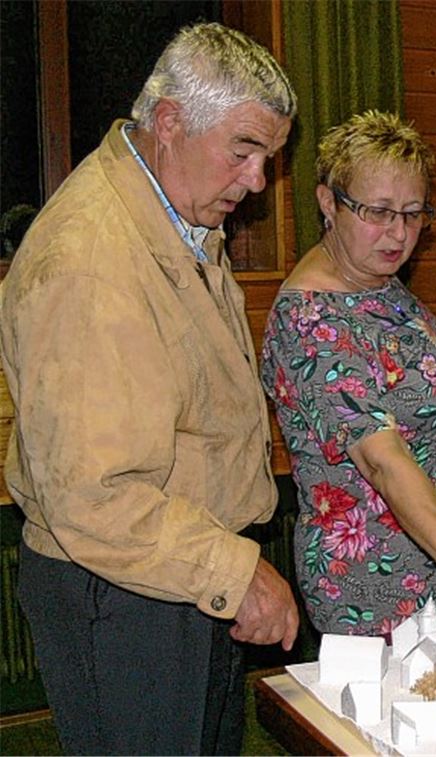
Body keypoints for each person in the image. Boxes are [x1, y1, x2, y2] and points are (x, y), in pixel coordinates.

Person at [0, 23, 299, 755]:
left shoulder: (173, 217)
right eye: (245, 150)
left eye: (268, 157)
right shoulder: (93, 258)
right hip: (126, 592)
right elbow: (94, 494)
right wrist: (235, 569)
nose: (258, 181)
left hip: (175, 575)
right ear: (170, 123)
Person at [260, 111, 436, 669]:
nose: (398, 233)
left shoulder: (380, 285)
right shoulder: (309, 319)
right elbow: (383, 460)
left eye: (414, 214)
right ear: (328, 201)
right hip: (379, 596)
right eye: (378, 212)